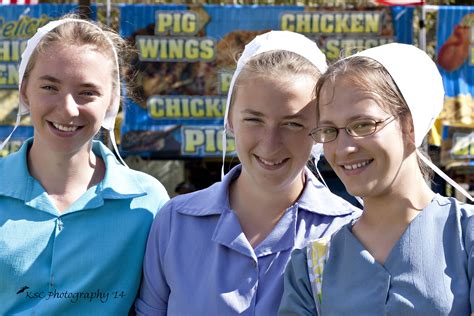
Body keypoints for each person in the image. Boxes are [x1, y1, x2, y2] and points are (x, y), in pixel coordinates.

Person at [135, 31, 361, 315]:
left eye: (292, 124)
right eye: (254, 119)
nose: (270, 144)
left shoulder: (347, 232)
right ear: (230, 118)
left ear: (319, 128)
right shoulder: (175, 223)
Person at [279, 43, 474, 315]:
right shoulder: (312, 267)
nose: (344, 147)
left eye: (363, 125)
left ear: (410, 124)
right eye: (330, 130)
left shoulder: (465, 237)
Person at [0, 16, 169, 315]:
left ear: (113, 100)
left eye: (87, 92)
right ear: (25, 90)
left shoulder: (147, 204)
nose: (67, 108)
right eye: (50, 87)